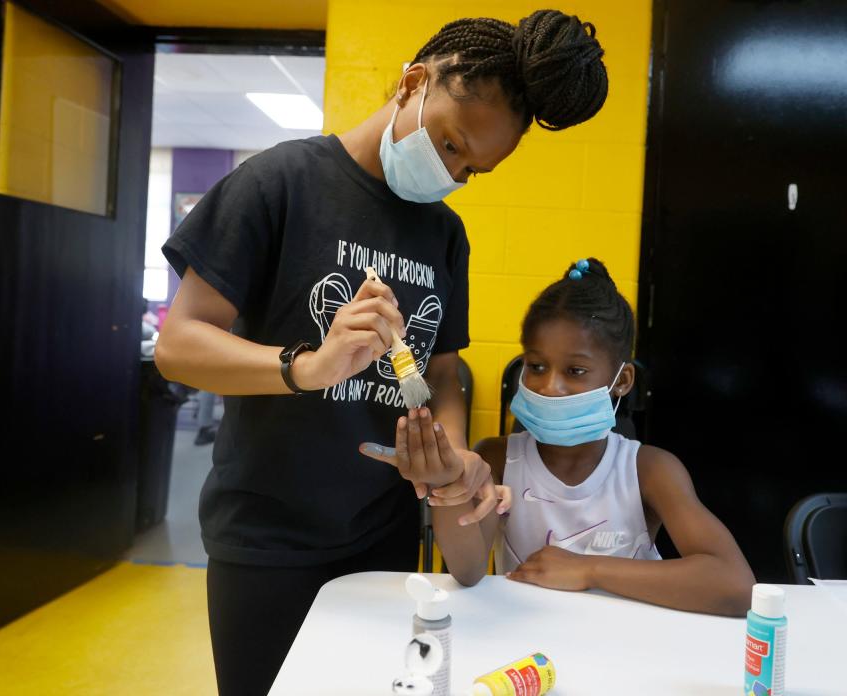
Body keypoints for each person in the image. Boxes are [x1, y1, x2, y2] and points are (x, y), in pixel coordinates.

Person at [154, 12, 609, 694]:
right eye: (451, 143)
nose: (453, 172)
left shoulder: (445, 235)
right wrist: (306, 367)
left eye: (472, 168)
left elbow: (445, 370)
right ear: (413, 81)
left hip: (383, 538)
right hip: (268, 538)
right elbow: (178, 344)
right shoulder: (279, 183)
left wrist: (450, 457)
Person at [364, 258, 755, 617]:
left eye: (576, 371)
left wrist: (589, 570)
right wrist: (450, 480)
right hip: (528, 659)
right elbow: (466, 571)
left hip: (627, 653)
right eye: (536, 366)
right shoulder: (497, 459)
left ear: (621, 380)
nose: (551, 385)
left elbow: (736, 586)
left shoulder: (649, 470)